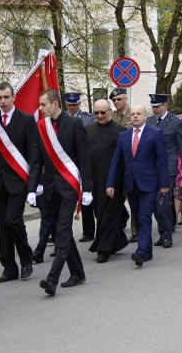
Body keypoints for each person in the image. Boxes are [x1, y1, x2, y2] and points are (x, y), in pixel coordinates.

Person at [28, 89, 93, 296]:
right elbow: (36, 159)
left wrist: (88, 189)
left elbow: (84, 158)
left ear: (55, 104)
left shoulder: (74, 124)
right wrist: (33, 187)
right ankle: (78, 272)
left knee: (63, 232)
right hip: (50, 187)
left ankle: (52, 279)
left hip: (69, 186)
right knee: (58, 232)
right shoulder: (41, 126)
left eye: (43, 104)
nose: (40, 108)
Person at [0, 82, 36, 282]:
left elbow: (32, 153)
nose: (2, 101)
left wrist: (34, 184)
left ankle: (26, 259)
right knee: (3, 226)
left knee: (13, 220)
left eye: (6, 97)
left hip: (19, 180)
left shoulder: (27, 120)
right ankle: (9, 268)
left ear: (13, 97)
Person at [106, 105, 169, 267]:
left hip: (149, 183)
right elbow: (116, 162)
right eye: (133, 114)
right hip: (131, 184)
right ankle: (147, 250)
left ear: (145, 116)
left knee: (143, 217)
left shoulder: (155, 134)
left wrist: (164, 184)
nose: (135, 116)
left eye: (138, 114)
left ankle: (140, 252)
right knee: (139, 219)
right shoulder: (124, 136)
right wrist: (110, 183)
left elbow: (162, 161)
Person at [86, 99, 128, 263]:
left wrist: (125, 183)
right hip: (94, 180)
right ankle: (118, 240)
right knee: (99, 213)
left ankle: (103, 249)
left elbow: (125, 159)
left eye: (103, 112)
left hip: (114, 181)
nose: (100, 116)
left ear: (110, 111)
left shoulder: (121, 131)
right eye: (96, 113)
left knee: (108, 214)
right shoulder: (87, 130)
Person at [146, 94, 182, 249]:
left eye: (157, 106)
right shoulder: (150, 121)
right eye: (153, 106)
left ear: (165, 105)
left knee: (163, 200)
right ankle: (163, 232)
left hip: (168, 167)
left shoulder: (176, 122)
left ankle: (167, 235)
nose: (155, 109)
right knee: (155, 201)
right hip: (152, 167)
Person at [64, 92, 94, 242]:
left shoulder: (88, 119)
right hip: (66, 163)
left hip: (82, 161)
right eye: (69, 105)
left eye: (74, 105)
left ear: (79, 104)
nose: (71, 108)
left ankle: (88, 230)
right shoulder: (62, 118)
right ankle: (62, 232)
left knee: (85, 198)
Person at [110, 88, 137, 243]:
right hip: (116, 161)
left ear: (125, 99)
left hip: (131, 160)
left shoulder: (134, 114)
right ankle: (121, 220)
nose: (116, 102)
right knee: (116, 197)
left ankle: (135, 230)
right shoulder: (111, 116)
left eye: (119, 99)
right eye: (114, 100)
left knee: (133, 197)